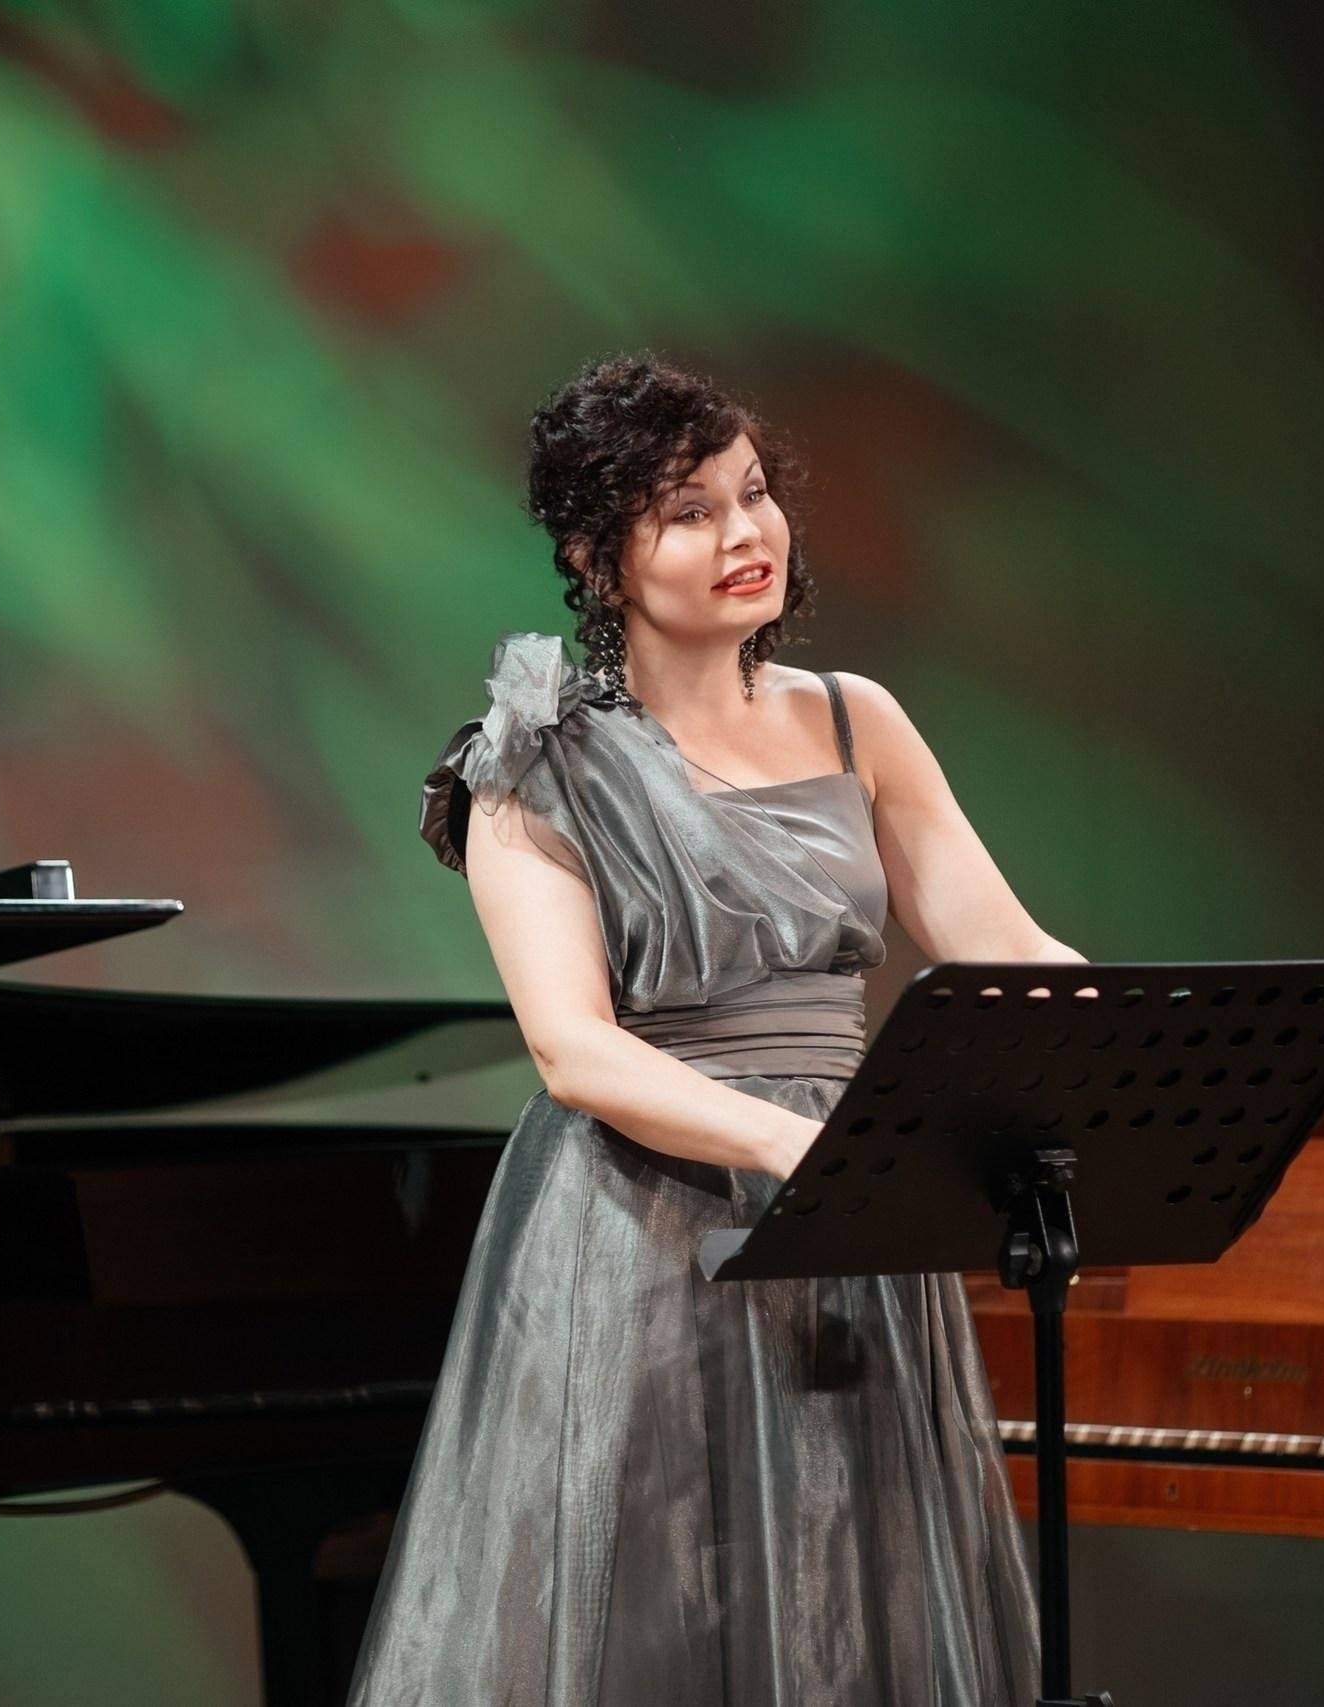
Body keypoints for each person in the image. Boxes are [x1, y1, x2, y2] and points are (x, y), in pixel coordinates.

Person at [349, 352, 1061, 1705]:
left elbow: (1011, 953)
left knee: (851, 1603)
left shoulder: (856, 720)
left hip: (852, 1226)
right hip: (643, 1232)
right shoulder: (532, 764)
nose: (747, 533)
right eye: (689, 511)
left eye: (753, 493)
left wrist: (1151, 1037)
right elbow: (575, 1050)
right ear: (595, 558)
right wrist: (815, 1153)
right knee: (658, 1616)